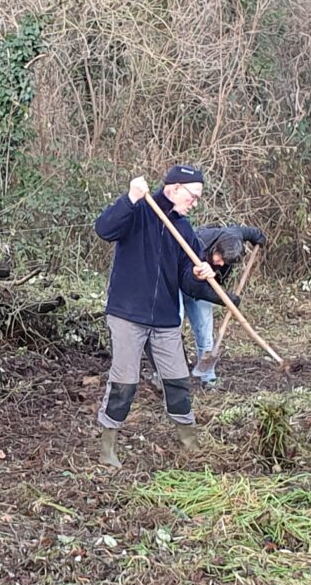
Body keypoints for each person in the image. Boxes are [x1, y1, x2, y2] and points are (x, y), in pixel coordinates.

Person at [92, 164, 221, 468]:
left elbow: (184, 280)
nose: (195, 202)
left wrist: (198, 274)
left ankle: (189, 443)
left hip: (164, 318)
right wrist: (129, 198)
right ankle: (107, 448)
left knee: (178, 379)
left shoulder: (184, 229)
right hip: (127, 313)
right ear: (174, 188)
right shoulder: (138, 210)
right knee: (124, 382)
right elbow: (104, 229)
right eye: (193, 195)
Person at [176, 223, 266, 389]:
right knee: (172, 327)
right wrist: (225, 299)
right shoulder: (198, 244)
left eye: (226, 262)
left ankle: (207, 377)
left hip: (203, 286)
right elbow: (194, 287)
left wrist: (259, 238)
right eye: (221, 259)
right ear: (215, 248)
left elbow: (250, 232)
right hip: (178, 283)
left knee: (205, 332)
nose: (222, 264)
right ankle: (169, 375)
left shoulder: (232, 236)